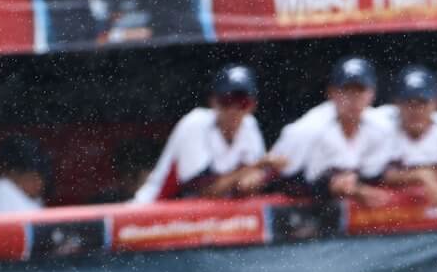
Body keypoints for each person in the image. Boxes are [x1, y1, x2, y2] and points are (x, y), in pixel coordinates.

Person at [134, 66, 272, 203]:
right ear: (214, 101)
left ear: (253, 105)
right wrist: (251, 169)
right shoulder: (195, 123)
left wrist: (254, 178)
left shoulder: (250, 125)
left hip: (202, 217)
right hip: (154, 210)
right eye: (227, 101)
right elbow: (205, 192)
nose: (233, 109)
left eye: (242, 102)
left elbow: (251, 181)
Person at [294, 57, 398, 206]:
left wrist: (356, 187)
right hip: (305, 211)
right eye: (346, 90)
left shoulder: (383, 126)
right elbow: (288, 179)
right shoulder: (309, 127)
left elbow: (375, 174)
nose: (353, 98)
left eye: (359, 90)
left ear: (372, 94)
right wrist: (331, 186)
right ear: (331, 93)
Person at [372, 67, 437, 205]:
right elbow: (372, 173)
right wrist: (419, 175)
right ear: (396, 103)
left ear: (436, 103)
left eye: (422, 103)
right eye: (409, 103)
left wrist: (427, 175)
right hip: (386, 212)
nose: (416, 110)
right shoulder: (380, 125)